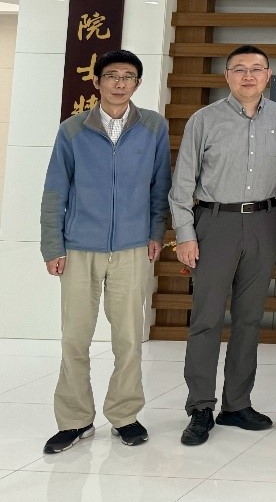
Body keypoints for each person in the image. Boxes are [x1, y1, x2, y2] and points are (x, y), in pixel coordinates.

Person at [40, 50, 170, 454]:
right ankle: (75, 420)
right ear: (96, 82)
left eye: (128, 76)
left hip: (132, 248)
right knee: (74, 338)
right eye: (111, 75)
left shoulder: (153, 126)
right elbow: (55, 190)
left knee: (128, 339)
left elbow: (160, 185)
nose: (119, 83)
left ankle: (125, 415)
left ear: (137, 84)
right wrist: (52, 245)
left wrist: (155, 232)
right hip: (80, 248)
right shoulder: (73, 129)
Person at [171, 45, 276, 447]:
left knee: (249, 319)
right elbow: (182, 184)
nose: (248, 76)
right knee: (206, 318)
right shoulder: (204, 120)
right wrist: (185, 234)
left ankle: (237, 403)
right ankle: (200, 407)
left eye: (256, 69)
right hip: (214, 224)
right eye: (239, 69)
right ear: (227, 76)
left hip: (264, 223)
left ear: (268, 75)